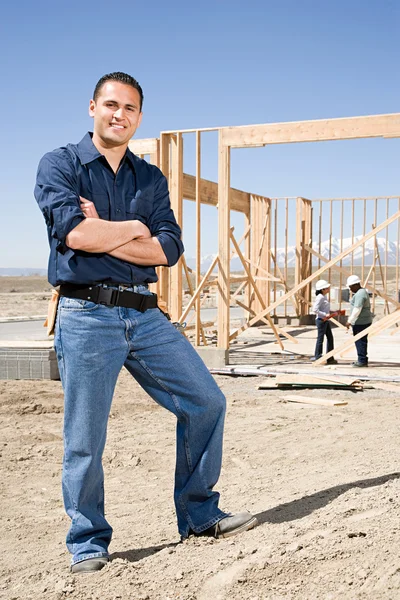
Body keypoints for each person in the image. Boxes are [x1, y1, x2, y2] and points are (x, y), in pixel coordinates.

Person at [34, 72, 257, 574]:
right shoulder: (60, 164)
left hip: (145, 313)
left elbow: (169, 249)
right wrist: (133, 232)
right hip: (86, 313)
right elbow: (74, 234)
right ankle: (88, 541)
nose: (120, 114)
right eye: (111, 104)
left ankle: (199, 514)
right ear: (92, 107)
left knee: (206, 401)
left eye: (130, 108)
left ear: (139, 116)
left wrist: (111, 231)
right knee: (85, 436)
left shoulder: (150, 178)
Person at [345, 275, 373, 367]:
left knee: (360, 341)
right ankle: (362, 359)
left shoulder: (360, 294)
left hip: (361, 322)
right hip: (362, 321)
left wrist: (349, 320)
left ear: (355, 285)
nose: (350, 289)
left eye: (351, 287)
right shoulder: (362, 292)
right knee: (361, 341)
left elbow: (357, 309)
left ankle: (362, 360)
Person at [311, 279, 338, 364]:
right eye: (327, 288)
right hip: (321, 320)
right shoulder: (320, 297)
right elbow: (314, 309)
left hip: (325, 320)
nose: (329, 289)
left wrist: (330, 313)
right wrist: (324, 314)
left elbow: (324, 308)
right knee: (320, 339)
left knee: (330, 338)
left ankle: (329, 357)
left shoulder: (324, 296)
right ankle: (318, 356)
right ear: (323, 289)